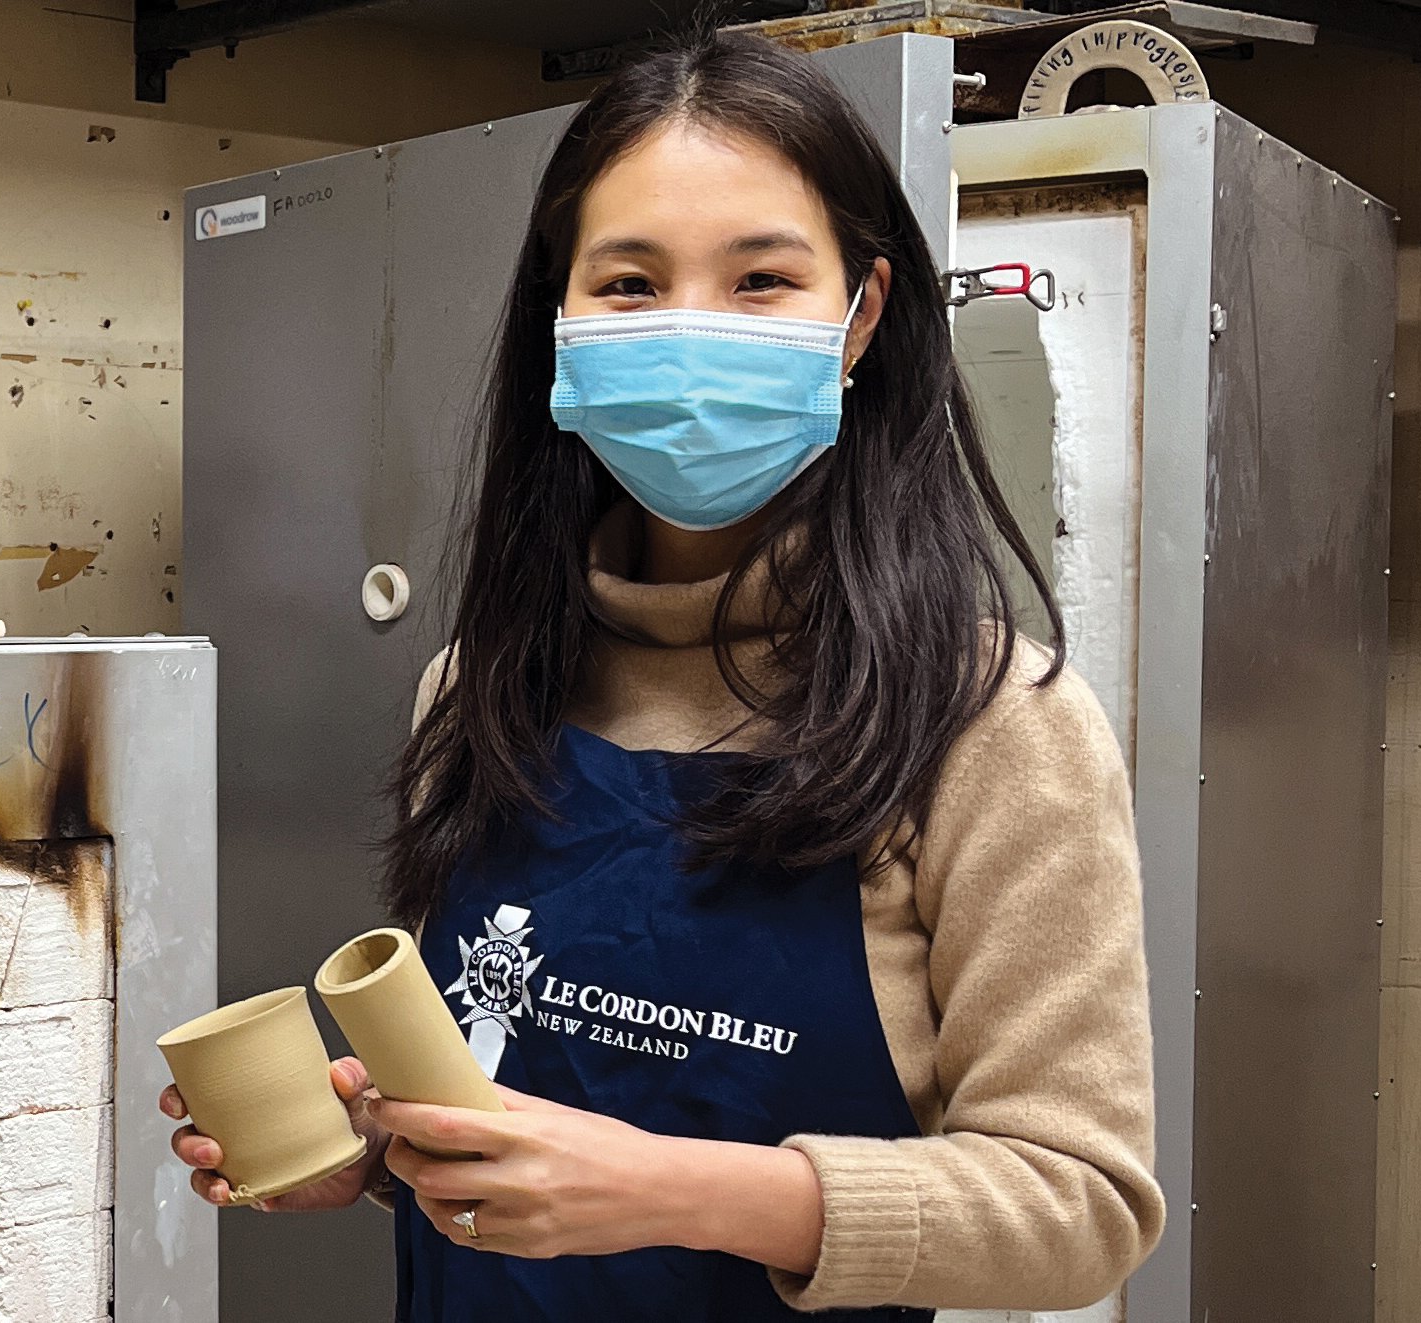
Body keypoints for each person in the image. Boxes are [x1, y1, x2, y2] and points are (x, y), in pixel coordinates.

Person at [159, 32, 1163, 1322]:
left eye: (761, 281)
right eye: (630, 284)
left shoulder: (986, 723)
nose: (692, 329)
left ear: (860, 317)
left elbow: (1081, 1206)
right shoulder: (481, 690)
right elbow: (499, 1086)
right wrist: (373, 1157)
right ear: (561, 321)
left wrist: (673, 1191)